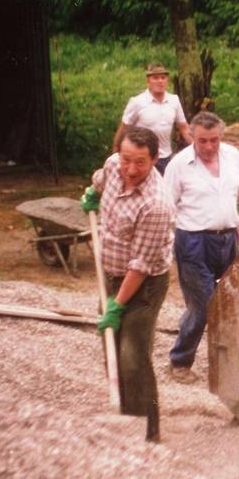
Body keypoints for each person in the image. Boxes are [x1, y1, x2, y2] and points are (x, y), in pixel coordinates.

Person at [81, 126, 175, 442]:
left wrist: (117, 305)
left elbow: (141, 266)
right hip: (110, 273)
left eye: (140, 163)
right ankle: (121, 415)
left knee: (132, 356)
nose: (130, 170)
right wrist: (93, 193)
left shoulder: (156, 204)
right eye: (126, 160)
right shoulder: (113, 165)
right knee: (111, 348)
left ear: (155, 160)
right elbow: (102, 177)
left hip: (145, 284)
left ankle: (146, 436)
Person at [164, 111, 239, 383]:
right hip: (193, 242)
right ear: (192, 137)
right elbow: (166, 207)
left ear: (221, 137)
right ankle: (179, 362)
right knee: (206, 305)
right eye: (202, 141)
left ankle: (229, 362)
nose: (209, 147)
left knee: (232, 301)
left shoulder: (233, 157)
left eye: (214, 140)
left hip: (227, 239)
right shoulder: (179, 165)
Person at [113, 63, 193, 175]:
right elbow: (124, 129)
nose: (160, 81)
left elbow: (184, 128)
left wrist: (197, 146)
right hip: (142, 159)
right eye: (155, 78)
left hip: (166, 158)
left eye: (163, 78)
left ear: (167, 81)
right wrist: (116, 154)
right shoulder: (137, 102)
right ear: (148, 81)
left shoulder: (174, 100)